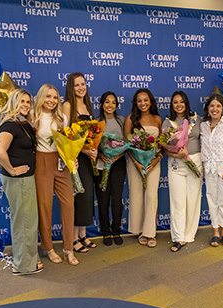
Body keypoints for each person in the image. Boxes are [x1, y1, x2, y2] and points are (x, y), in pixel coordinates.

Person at [0, 89, 42, 275]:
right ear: (13, 102)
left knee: (24, 220)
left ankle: (26, 258)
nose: (25, 105)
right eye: (21, 101)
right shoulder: (10, 125)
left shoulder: (22, 123)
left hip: (24, 179)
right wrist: (12, 170)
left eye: (28, 102)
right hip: (19, 180)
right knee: (25, 222)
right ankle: (23, 265)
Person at [33, 84, 78, 266]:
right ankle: (48, 247)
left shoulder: (62, 118)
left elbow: (67, 142)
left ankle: (69, 248)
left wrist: (72, 158)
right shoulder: (32, 117)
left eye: (55, 97)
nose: (51, 100)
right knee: (45, 206)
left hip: (61, 163)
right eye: (48, 96)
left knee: (68, 204)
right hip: (41, 161)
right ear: (41, 97)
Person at [162, 91, 203, 252]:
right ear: (171, 105)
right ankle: (178, 237)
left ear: (186, 103)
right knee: (178, 202)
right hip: (176, 164)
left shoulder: (196, 120)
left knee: (193, 200)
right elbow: (163, 147)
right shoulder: (167, 123)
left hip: (195, 162)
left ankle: (189, 235)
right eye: (175, 102)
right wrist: (175, 154)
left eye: (181, 102)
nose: (178, 105)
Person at [62, 72, 97, 253]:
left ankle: (83, 234)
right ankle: (74, 238)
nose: (81, 88)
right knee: (77, 195)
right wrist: (83, 150)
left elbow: (92, 134)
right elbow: (65, 135)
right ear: (70, 87)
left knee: (87, 196)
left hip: (88, 158)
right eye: (77, 85)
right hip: (75, 158)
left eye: (83, 84)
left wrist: (93, 149)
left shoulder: (87, 105)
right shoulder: (68, 105)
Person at [124, 89, 162, 248]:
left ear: (151, 101)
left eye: (145, 100)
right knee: (137, 196)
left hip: (153, 164)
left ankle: (150, 232)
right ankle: (140, 231)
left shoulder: (158, 119)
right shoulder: (130, 119)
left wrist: (156, 159)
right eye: (139, 101)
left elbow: (162, 145)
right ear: (136, 103)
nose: (143, 103)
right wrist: (137, 163)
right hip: (135, 164)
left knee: (151, 197)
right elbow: (127, 145)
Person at [200, 94, 223, 247]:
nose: (214, 109)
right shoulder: (203, 125)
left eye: (218, 106)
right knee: (212, 198)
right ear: (207, 108)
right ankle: (215, 231)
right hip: (209, 168)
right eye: (212, 106)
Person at [95, 91, 126, 246]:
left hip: (118, 163)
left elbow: (128, 143)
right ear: (101, 104)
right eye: (107, 102)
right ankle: (105, 232)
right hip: (102, 164)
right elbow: (92, 146)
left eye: (113, 102)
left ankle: (116, 230)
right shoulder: (96, 122)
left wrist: (117, 156)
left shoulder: (121, 120)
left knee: (116, 200)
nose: (110, 105)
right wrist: (101, 155)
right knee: (103, 199)